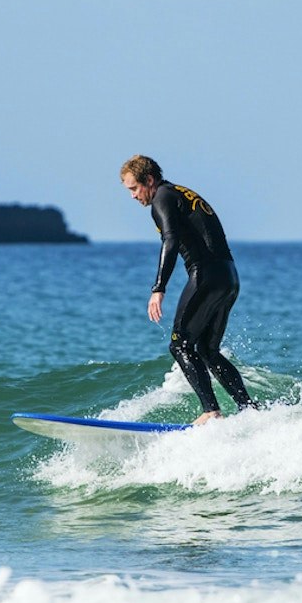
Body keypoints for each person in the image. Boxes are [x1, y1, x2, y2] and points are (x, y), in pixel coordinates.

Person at [119, 154, 256, 424]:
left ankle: (211, 411)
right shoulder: (178, 193)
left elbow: (170, 241)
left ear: (149, 180)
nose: (133, 196)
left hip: (205, 275)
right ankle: (249, 410)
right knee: (207, 349)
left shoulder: (161, 198)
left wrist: (158, 288)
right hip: (228, 276)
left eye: (134, 188)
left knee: (179, 344)